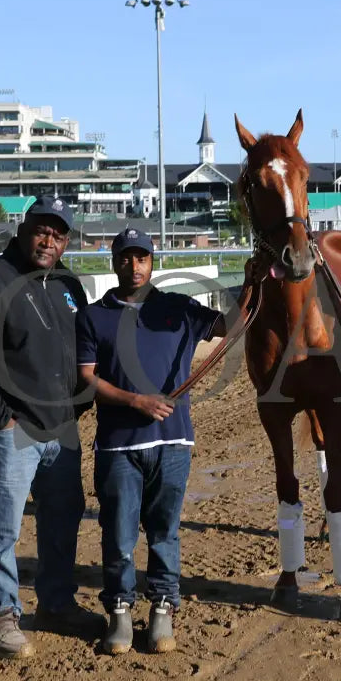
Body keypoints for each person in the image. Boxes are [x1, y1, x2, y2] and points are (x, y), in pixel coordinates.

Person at [0, 195, 99, 660]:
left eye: (58, 234)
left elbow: (87, 349)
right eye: (41, 230)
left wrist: (81, 404)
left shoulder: (70, 285)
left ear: (67, 240)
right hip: (12, 429)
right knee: (1, 527)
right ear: (24, 228)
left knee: (62, 520)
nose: (48, 241)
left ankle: (55, 604)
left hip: (61, 429)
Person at [75, 228, 227, 655]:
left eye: (141, 257)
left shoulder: (178, 309)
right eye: (126, 258)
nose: (134, 265)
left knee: (165, 533)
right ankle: (119, 611)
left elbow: (232, 324)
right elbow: (87, 378)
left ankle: (163, 609)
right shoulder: (92, 316)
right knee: (119, 536)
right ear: (114, 261)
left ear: (152, 261)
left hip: (174, 443)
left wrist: (255, 280)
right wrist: (135, 401)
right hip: (119, 446)